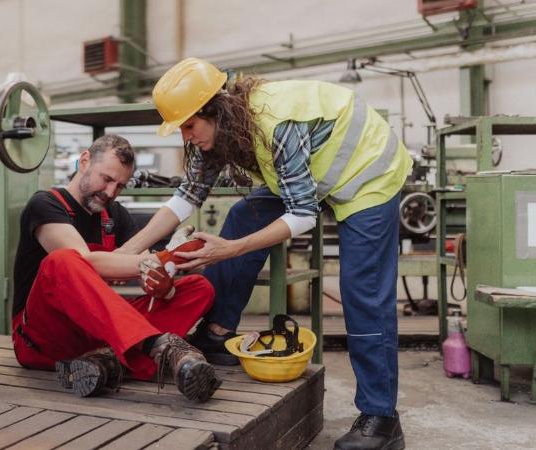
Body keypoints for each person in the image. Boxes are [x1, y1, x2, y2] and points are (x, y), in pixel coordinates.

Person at [117, 58, 410, 450]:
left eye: (189, 125)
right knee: (243, 215)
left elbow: (303, 214)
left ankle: (382, 418)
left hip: (368, 173)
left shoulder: (276, 124)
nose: (186, 137)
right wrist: (127, 253)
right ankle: (218, 335)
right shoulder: (219, 132)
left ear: (214, 110)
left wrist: (231, 250)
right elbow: (187, 197)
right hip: (317, 174)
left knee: (362, 289)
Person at [11, 134, 221, 403]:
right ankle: (155, 347)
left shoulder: (115, 215)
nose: (110, 192)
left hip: (100, 333)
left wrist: (163, 281)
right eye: (106, 179)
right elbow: (86, 261)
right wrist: (162, 259)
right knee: (62, 261)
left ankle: (106, 363)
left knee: (198, 288)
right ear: (84, 161)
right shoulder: (46, 204)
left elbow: (149, 277)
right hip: (45, 337)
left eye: (119, 186)